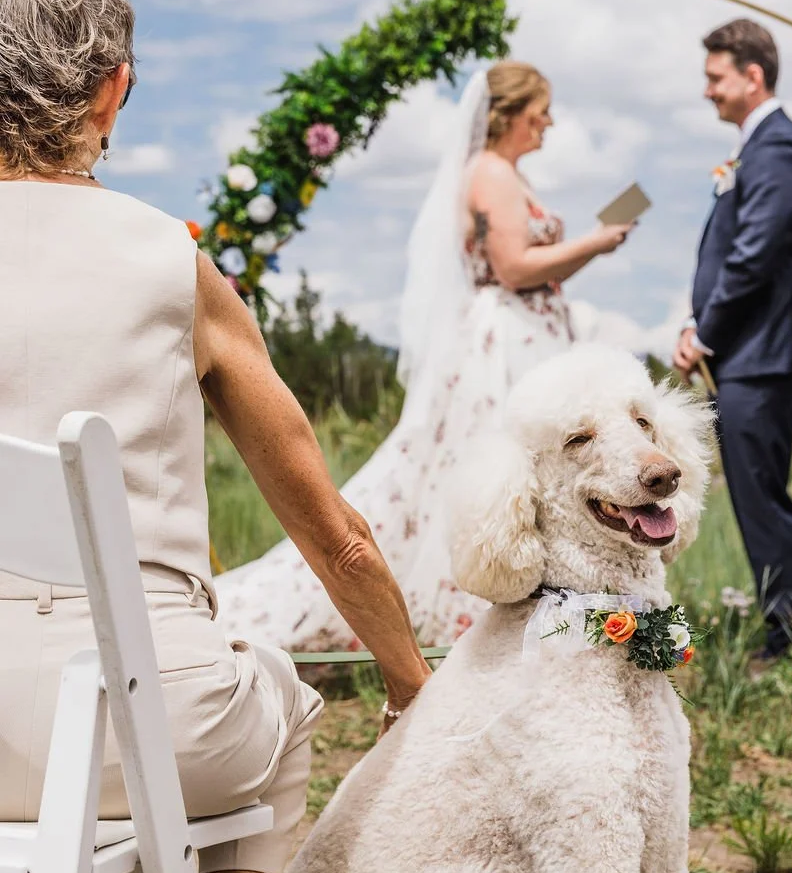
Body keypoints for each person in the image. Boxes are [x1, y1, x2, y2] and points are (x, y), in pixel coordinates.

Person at [0, 0, 430, 873]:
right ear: (112, 92)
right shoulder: (167, 264)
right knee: (282, 699)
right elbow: (332, 534)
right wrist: (410, 674)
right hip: (144, 718)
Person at [214, 61, 636, 648]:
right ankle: (474, 608)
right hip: (504, 344)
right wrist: (594, 244)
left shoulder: (506, 173)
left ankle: (538, 602)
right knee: (497, 468)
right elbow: (513, 268)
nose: (549, 123)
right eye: (540, 111)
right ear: (509, 115)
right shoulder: (490, 173)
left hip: (529, 333)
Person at [673, 18, 792, 666]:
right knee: (754, 497)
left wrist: (704, 333)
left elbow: (754, 254)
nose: (707, 90)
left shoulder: (779, 150)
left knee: (763, 499)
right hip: (746, 354)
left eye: (715, 77)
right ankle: (787, 625)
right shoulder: (756, 150)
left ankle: (789, 639)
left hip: (761, 356)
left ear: (751, 75)